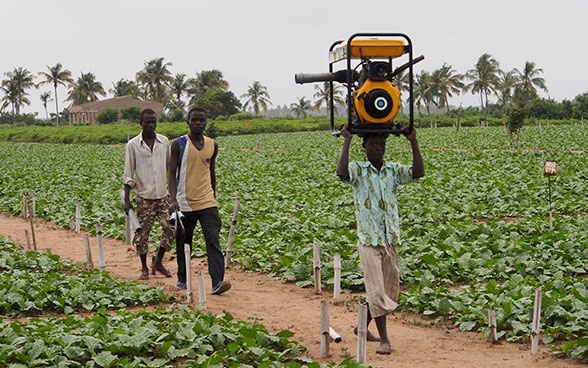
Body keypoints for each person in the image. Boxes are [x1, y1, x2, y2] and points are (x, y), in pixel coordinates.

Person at [336, 124, 424, 354]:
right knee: (376, 290)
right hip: (368, 239)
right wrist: (346, 140)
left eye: (381, 144)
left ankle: (361, 327)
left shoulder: (392, 170)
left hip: (390, 238)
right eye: (373, 144)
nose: (378, 147)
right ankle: (385, 339)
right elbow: (342, 173)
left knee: (387, 291)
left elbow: (418, 173)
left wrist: (413, 141)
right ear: (364, 146)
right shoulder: (358, 170)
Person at [168, 106, 231, 295]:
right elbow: (171, 173)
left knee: (213, 240)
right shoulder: (178, 144)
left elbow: (211, 172)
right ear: (188, 121)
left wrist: (213, 194)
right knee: (184, 241)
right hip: (184, 201)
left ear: (206, 122)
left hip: (207, 201)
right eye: (194, 120)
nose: (198, 123)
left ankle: (218, 281)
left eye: (202, 120)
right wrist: (173, 199)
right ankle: (183, 279)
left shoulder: (213, 145)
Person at [123, 108, 174, 280]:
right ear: (141, 123)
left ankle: (158, 261)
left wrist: (174, 196)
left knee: (171, 228)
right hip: (144, 197)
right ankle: (144, 267)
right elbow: (128, 173)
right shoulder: (133, 145)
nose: (151, 125)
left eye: (153, 122)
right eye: (147, 122)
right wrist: (127, 200)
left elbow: (170, 169)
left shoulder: (164, 142)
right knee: (142, 234)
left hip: (163, 196)